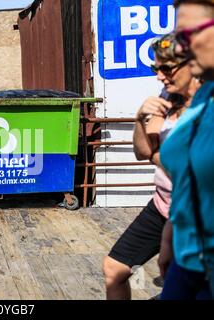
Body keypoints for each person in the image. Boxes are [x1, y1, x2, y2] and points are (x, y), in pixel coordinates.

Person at [102, 33, 200, 300]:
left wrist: (161, 146)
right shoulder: (169, 95)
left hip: (197, 216)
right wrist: (140, 118)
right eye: (155, 68)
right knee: (114, 269)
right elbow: (142, 152)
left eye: (166, 68)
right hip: (162, 206)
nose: (159, 76)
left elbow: (194, 172)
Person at [158, 0, 214, 300]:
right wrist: (170, 235)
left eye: (186, 35)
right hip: (187, 260)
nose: (179, 49)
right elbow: (188, 177)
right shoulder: (205, 94)